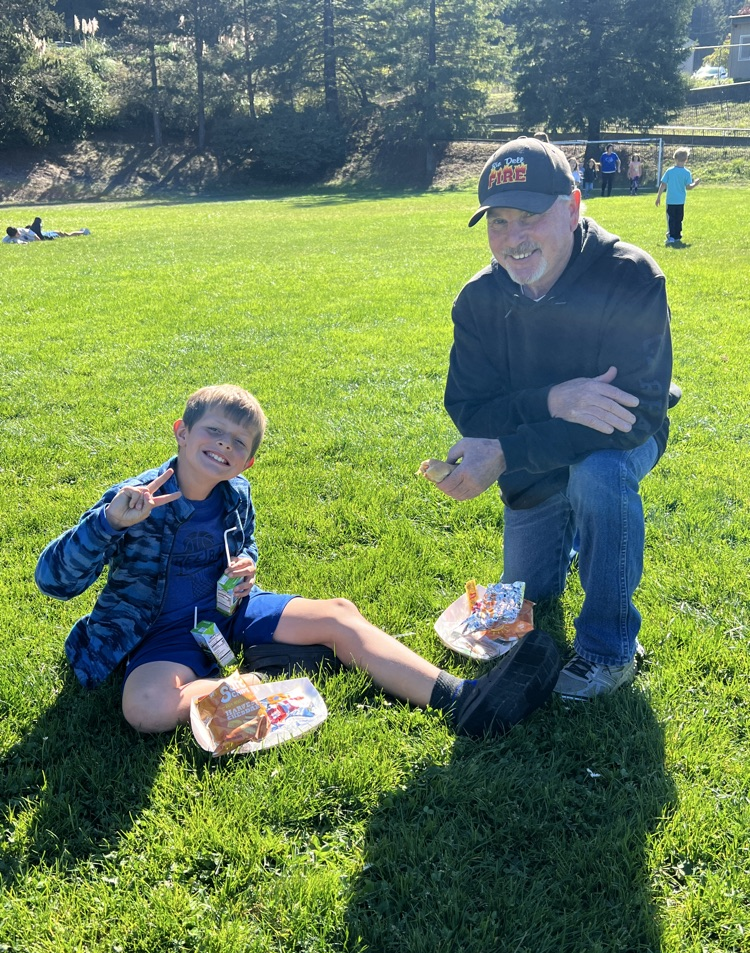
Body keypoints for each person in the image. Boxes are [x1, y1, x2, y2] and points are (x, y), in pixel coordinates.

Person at [36, 384, 561, 737]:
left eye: (238, 442)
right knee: (144, 708)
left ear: (248, 461)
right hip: (161, 635)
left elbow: (244, 547)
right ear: (182, 431)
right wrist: (108, 523)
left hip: (231, 612)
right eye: (213, 431)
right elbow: (53, 579)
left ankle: (464, 700)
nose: (223, 446)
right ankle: (264, 682)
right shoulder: (135, 500)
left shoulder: (235, 493)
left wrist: (244, 567)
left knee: (339, 614)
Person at [427, 137, 677, 701]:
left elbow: (633, 417)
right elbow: (469, 408)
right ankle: (568, 539)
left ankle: (609, 650)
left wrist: (509, 450)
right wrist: (553, 400)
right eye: (499, 221)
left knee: (598, 475)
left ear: (573, 207)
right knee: (529, 596)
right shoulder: (478, 299)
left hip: (621, 435)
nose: (513, 238)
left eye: (531, 217)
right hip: (538, 450)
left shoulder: (631, 276)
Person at [656, 147, 700, 244]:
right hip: (680, 200)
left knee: (671, 219)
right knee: (679, 219)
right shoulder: (687, 173)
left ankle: (671, 236)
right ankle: (677, 236)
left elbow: (663, 184)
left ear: (675, 158)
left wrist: (658, 197)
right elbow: (688, 187)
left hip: (671, 200)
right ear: (686, 160)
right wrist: (695, 183)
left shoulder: (670, 171)